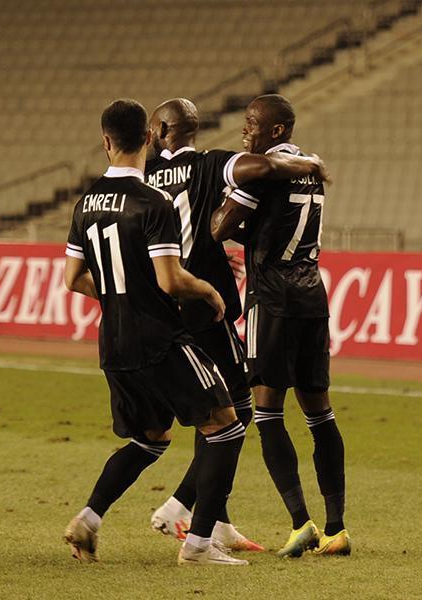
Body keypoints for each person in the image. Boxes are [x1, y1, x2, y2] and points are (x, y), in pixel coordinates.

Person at [63, 99, 248, 566]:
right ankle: (198, 544)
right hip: (158, 339)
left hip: (114, 340)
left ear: (106, 141)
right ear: (148, 139)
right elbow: (170, 279)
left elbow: (72, 278)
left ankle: (87, 519)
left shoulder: (85, 203)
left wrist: (119, 296)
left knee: (151, 438)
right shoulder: (153, 201)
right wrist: (209, 290)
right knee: (227, 426)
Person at [144, 98, 329, 553]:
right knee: (238, 410)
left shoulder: (144, 177)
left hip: (160, 300)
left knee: (209, 408)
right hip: (205, 299)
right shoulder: (208, 164)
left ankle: (218, 519)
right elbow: (263, 168)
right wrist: (310, 162)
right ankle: (182, 508)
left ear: (160, 132)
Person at [211, 94, 350, 556]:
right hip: (312, 295)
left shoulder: (264, 171)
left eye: (252, 123)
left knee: (268, 410)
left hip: (272, 297)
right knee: (320, 413)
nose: (244, 130)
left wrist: (216, 214)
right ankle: (337, 528)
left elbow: (220, 227)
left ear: (276, 130)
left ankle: (299, 523)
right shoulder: (311, 170)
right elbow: (277, 222)